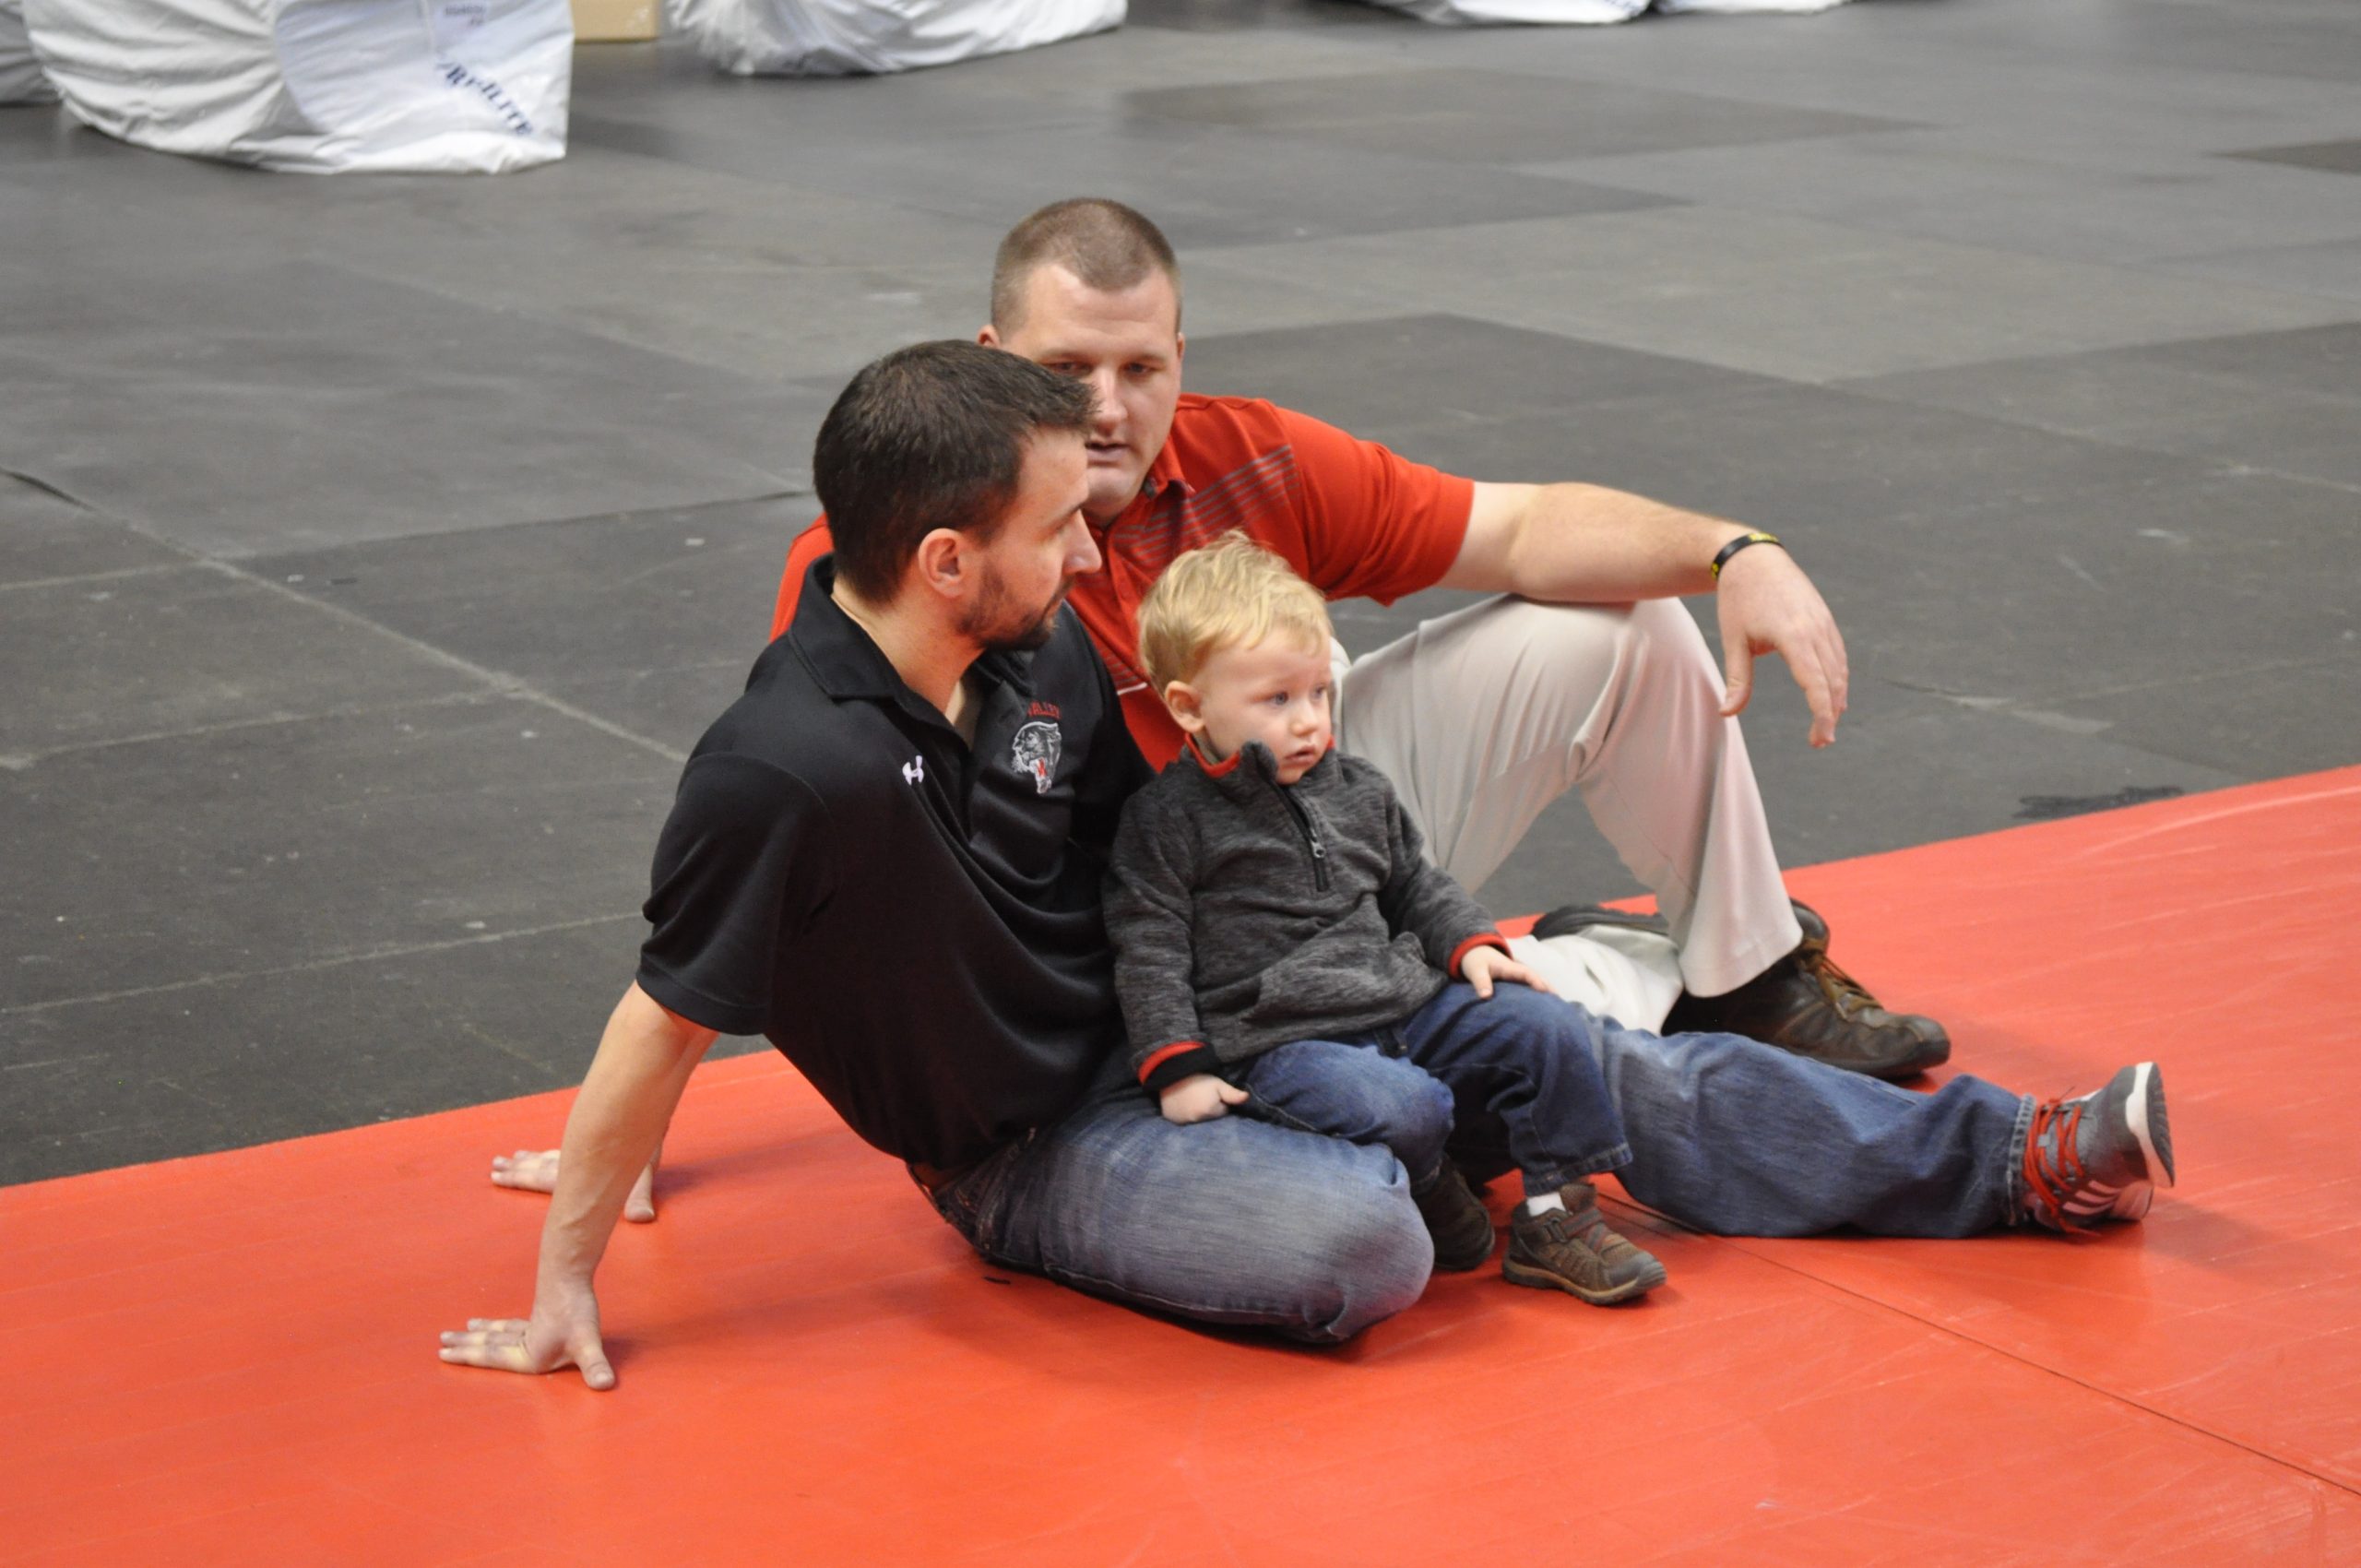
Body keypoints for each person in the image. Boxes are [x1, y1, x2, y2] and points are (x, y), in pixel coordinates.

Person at [444, 339, 2177, 1391]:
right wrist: (569, 1277)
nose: (1092, 555)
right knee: (1362, 1247)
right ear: (950, 559)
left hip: (1214, 1021)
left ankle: (2020, 1161)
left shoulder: (1031, 662)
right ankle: (1519, 1060)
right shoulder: (787, 767)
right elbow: (667, 1011)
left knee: (1562, 1062)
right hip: (1034, 1145)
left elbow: (1177, 857)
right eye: (1059, 531)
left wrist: (1392, 951)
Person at [769, 197, 1948, 1084]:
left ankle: (1746, 972)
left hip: (1314, 822)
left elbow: (1522, 527)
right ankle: (1611, 969)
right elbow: (788, 815)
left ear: (1183, 357)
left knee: (1628, 624)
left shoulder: (1250, 455)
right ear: (990, 359)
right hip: (1145, 922)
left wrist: (1737, 550)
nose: (1107, 410)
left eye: (1141, 368)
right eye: (1064, 370)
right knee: (1432, 1079)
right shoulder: (903, 547)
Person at [1106, 535, 1667, 1304]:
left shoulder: (1358, 788)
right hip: (1284, 1042)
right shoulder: (1166, 821)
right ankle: (1430, 1182)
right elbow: (1150, 947)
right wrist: (1178, 1066)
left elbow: (1413, 882)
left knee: (1548, 1028)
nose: (1309, 722)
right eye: (1277, 700)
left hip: (1402, 1003)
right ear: (1188, 706)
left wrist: (1468, 942)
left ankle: (1554, 1220)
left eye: (1318, 693)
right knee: (1403, 1107)